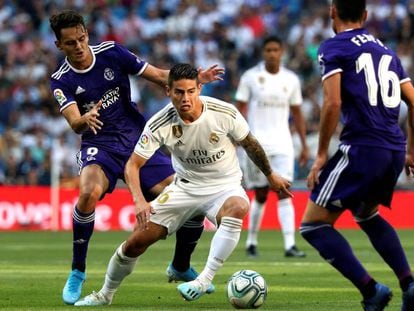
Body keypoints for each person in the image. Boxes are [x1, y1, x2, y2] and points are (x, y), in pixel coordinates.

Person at [73, 63, 292, 306]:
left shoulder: (224, 112)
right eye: (178, 92)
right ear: (168, 91)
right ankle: (105, 294)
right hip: (184, 188)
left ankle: (203, 279)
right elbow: (132, 165)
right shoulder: (159, 123)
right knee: (136, 243)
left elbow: (250, 144)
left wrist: (271, 175)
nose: (185, 98)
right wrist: (140, 201)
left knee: (239, 207)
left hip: (224, 185)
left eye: (190, 91)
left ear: (199, 88)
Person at [49, 10, 224, 305]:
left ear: (87, 34)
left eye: (81, 39)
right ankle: (78, 271)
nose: (78, 46)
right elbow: (74, 122)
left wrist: (195, 78)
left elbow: (157, 75)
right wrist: (84, 119)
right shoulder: (61, 80)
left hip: (137, 139)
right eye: (70, 43)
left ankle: (180, 265)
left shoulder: (112, 53)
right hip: (100, 143)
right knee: (88, 194)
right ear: (59, 46)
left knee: (189, 198)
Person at [299, 1, 414, 310]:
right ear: (365, 16)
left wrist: (322, 154)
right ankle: (410, 284)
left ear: (332, 13)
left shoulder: (333, 47)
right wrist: (412, 150)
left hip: (363, 146)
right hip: (393, 148)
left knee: (313, 226)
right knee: (367, 213)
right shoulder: (387, 51)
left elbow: (333, 103)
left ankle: (371, 290)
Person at [235, 35, 309, 258]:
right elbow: (239, 110)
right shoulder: (250, 77)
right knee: (260, 194)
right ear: (263, 52)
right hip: (257, 144)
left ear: (282, 51)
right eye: (268, 50)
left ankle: (289, 245)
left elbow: (297, 113)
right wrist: (237, 137)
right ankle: (251, 241)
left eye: (276, 50)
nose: (272, 54)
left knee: (285, 192)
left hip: (283, 144)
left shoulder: (291, 80)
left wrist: (304, 144)